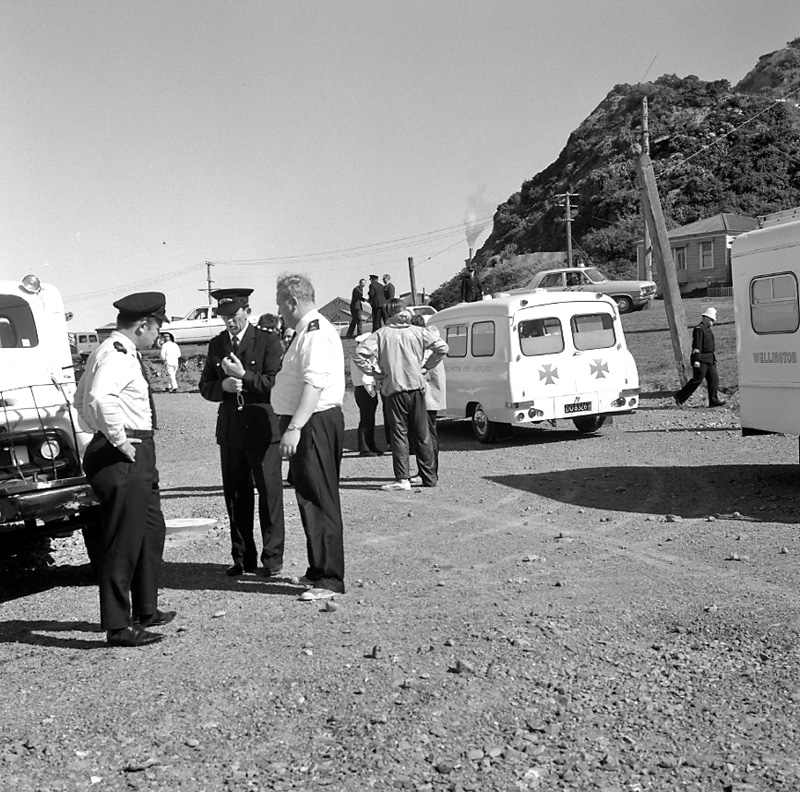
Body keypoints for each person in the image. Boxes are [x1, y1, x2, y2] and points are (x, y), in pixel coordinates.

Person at [73, 292, 174, 647]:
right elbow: (99, 398)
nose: (157, 336)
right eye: (156, 328)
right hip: (125, 451)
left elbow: (79, 397)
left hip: (134, 448)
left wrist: (104, 433)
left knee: (150, 528)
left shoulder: (112, 351)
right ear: (143, 324)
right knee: (124, 539)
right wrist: (116, 437)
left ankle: (146, 607)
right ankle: (118, 624)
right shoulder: (116, 354)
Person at [199, 288, 285, 578]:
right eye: (224, 318)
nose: (229, 324)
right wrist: (221, 387)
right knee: (236, 497)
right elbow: (205, 386)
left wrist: (244, 377)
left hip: (262, 427)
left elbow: (276, 384)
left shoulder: (268, 341)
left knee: (270, 495)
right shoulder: (217, 345)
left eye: (233, 317)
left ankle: (271, 560)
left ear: (247, 312)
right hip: (231, 430)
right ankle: (242, 557)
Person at [272, 273, 346, 602]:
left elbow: (314, 385)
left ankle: (330, 579)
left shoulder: (315, 333)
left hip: (314, 422)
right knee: (308, 496)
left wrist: (295, 427)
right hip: (309, 421)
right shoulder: (305, 331)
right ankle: (319, 568)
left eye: (280, 304)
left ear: (292, 301)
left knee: (320, 499)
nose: (278, 311)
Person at [354, 298, 448, 491]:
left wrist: (375, 372)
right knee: (423, 435)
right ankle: (429, 477)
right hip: (417, 389)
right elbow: (442, 348)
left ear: (388, 314)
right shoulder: (419, 331)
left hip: (394, 390)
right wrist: (426, 367)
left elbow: (359, 355)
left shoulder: (380, 335)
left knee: (399, 434)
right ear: (405, 312)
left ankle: (402, 478)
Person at [409, 314, 446, 478]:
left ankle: (428, 471)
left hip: (426, 395)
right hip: (433, 395)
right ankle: (430, 470)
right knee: (430, 434)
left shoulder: (426, 345)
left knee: (424, 435)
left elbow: (419, 367)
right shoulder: (433, 340)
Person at [674, 306, 727, 408]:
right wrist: (696, 359)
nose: (712, 322)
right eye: (711, 319)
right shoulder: (699, 329)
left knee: (714, 379)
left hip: (710, 360)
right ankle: (680, 396)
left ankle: (713, 400)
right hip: (701, 360)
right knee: (697, 380)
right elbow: (697, 346)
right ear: (706, 318)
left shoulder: (708, 330)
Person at [349, 332, 383, 457]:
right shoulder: (363, 357)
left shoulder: (356, 355)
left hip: (360, 389)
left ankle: (370, 445)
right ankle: (365, 447)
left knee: (368, 418)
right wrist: (373, 391)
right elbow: (366, 378)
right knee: (366, 419)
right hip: (365, 389)